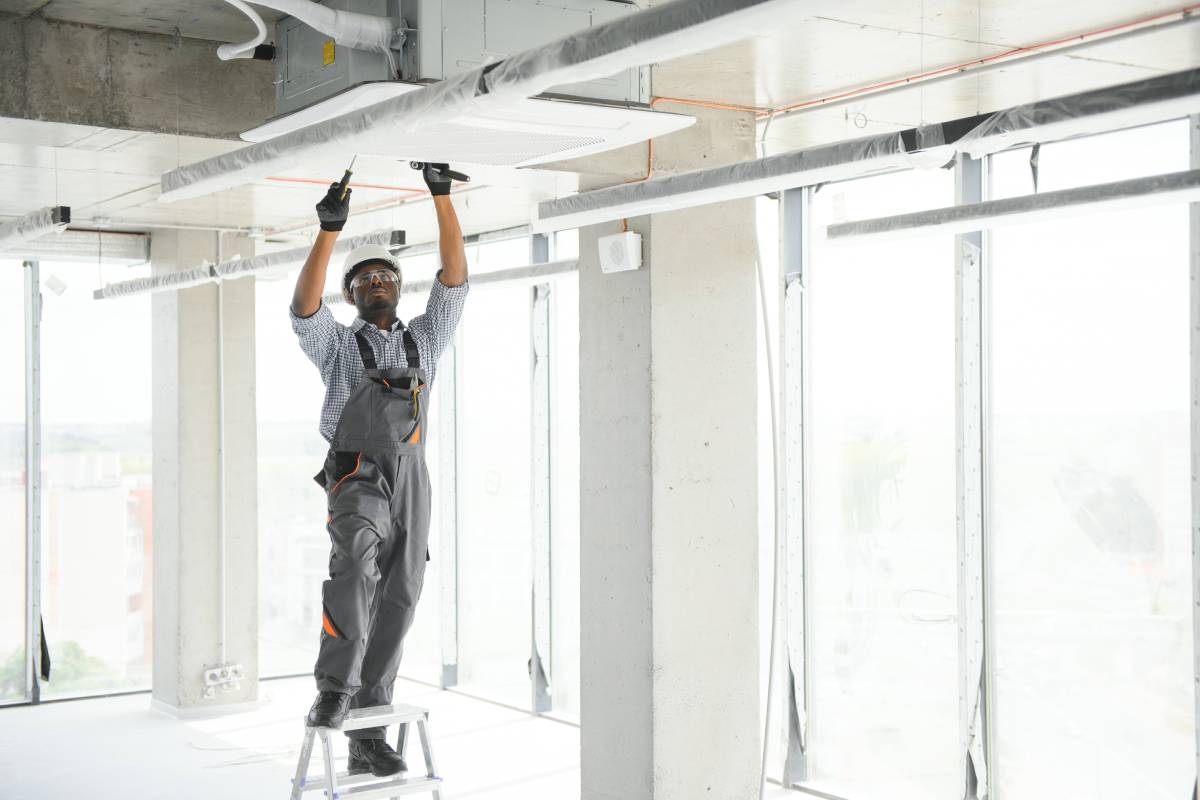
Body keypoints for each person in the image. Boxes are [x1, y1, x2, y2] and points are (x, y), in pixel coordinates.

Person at [289, 162, 469, 777]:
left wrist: (440, 196)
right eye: (365, 279)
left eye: (386, 275)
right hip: (357, 472)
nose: (377, 281)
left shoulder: (425, 338)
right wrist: (329, 232)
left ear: (399, 286)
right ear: (353, 295)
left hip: (412, 477)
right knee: (355, 569)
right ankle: (335, 688)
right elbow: (304, 307)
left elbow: (456, 279)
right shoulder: (339, 345)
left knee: (402, 592)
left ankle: (371, 730)